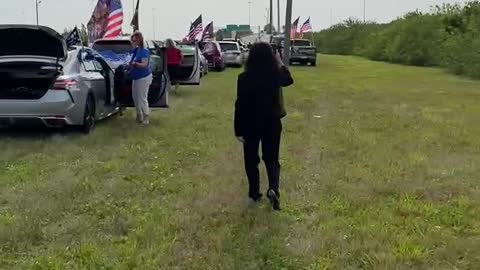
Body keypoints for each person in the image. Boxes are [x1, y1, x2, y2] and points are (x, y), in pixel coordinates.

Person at [234, 42, 294, 211]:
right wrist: (280, 61)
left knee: (251, 160)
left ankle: (254, 193)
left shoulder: (243, 78)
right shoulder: (275, 76)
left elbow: (239, 105)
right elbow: (288, 80)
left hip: (249, 124)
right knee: (272, 159)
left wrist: (238, 129)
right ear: (271, 56)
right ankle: (273, 189)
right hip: (272, 122)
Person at [129, 31, 152, 125]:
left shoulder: (144, 51)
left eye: (135, 40)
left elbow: (144, 64)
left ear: (140, 40)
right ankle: (139, 115)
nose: (134, 42)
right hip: (135, 77)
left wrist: (135, 64)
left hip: (144, 77)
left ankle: (146, 117)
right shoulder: (135, 50)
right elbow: (127, 57)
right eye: (132, 40)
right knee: (135, 97)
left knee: (142, 97)